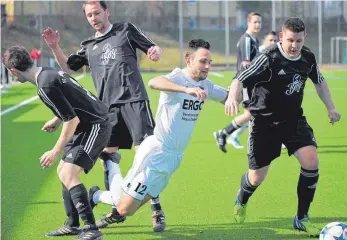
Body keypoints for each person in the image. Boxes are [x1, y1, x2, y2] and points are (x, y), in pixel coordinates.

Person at [42, 0, 166, 232]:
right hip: (106, 110)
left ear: (106, 12)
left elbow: (152, 47)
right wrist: (55, 47)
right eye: (89, 15)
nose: (94, 18)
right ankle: (115, 210)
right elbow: (68, 69)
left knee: (145, 158)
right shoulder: (88, 45)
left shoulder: (125, 30)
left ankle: (156, 209)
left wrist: (155, 51)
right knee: (108, 158)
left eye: (97, 13)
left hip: (134, 101)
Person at [87, 39, 231, 229]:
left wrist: (240, 84)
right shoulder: (178, 77)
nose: (207, 66)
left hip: (174, 158)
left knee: (129, 207)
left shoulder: (207, 85)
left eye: (209, 62)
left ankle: (100, 188)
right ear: (189, 60)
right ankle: (104, 174)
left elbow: (229, 96)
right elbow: (155, 82)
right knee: (123, 208)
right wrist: (186, 89)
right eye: (203, 61)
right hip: (156, 151)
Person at [224, 18, 341, 237]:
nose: (294, 45)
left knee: (311, 161)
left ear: (304, 37)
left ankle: (301, 218)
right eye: (290, 40)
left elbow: (319, 81)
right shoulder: (268, 58)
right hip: (263, 123)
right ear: (281, 37)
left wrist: (331, 108)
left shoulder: (308, 57)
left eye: (298, 40)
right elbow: (240, 77)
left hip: (293, 120)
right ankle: (242, 197)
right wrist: (232, 97)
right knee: (256, 177)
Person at [2, 45, 113, 240]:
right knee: (63, 171)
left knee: (69, 174)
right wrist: (56, 119)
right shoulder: (47, 73)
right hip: (86, 123)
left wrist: (55, 150)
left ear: (12, 71)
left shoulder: (44, 86)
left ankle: (91, 229)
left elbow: (73, 120)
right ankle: (72, 224)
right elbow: (72, 102)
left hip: (95, 124)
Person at [214, 12, 261, 151]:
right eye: (255, 22)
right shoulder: (246, 40)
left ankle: (223, 134)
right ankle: (224, 134)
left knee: (252, 114)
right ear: (248, 23)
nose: (257, 24)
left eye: (259, 22)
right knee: (254, 114)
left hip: (252, 83)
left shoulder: (254, 40)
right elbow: (246, 64)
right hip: (247, 83)